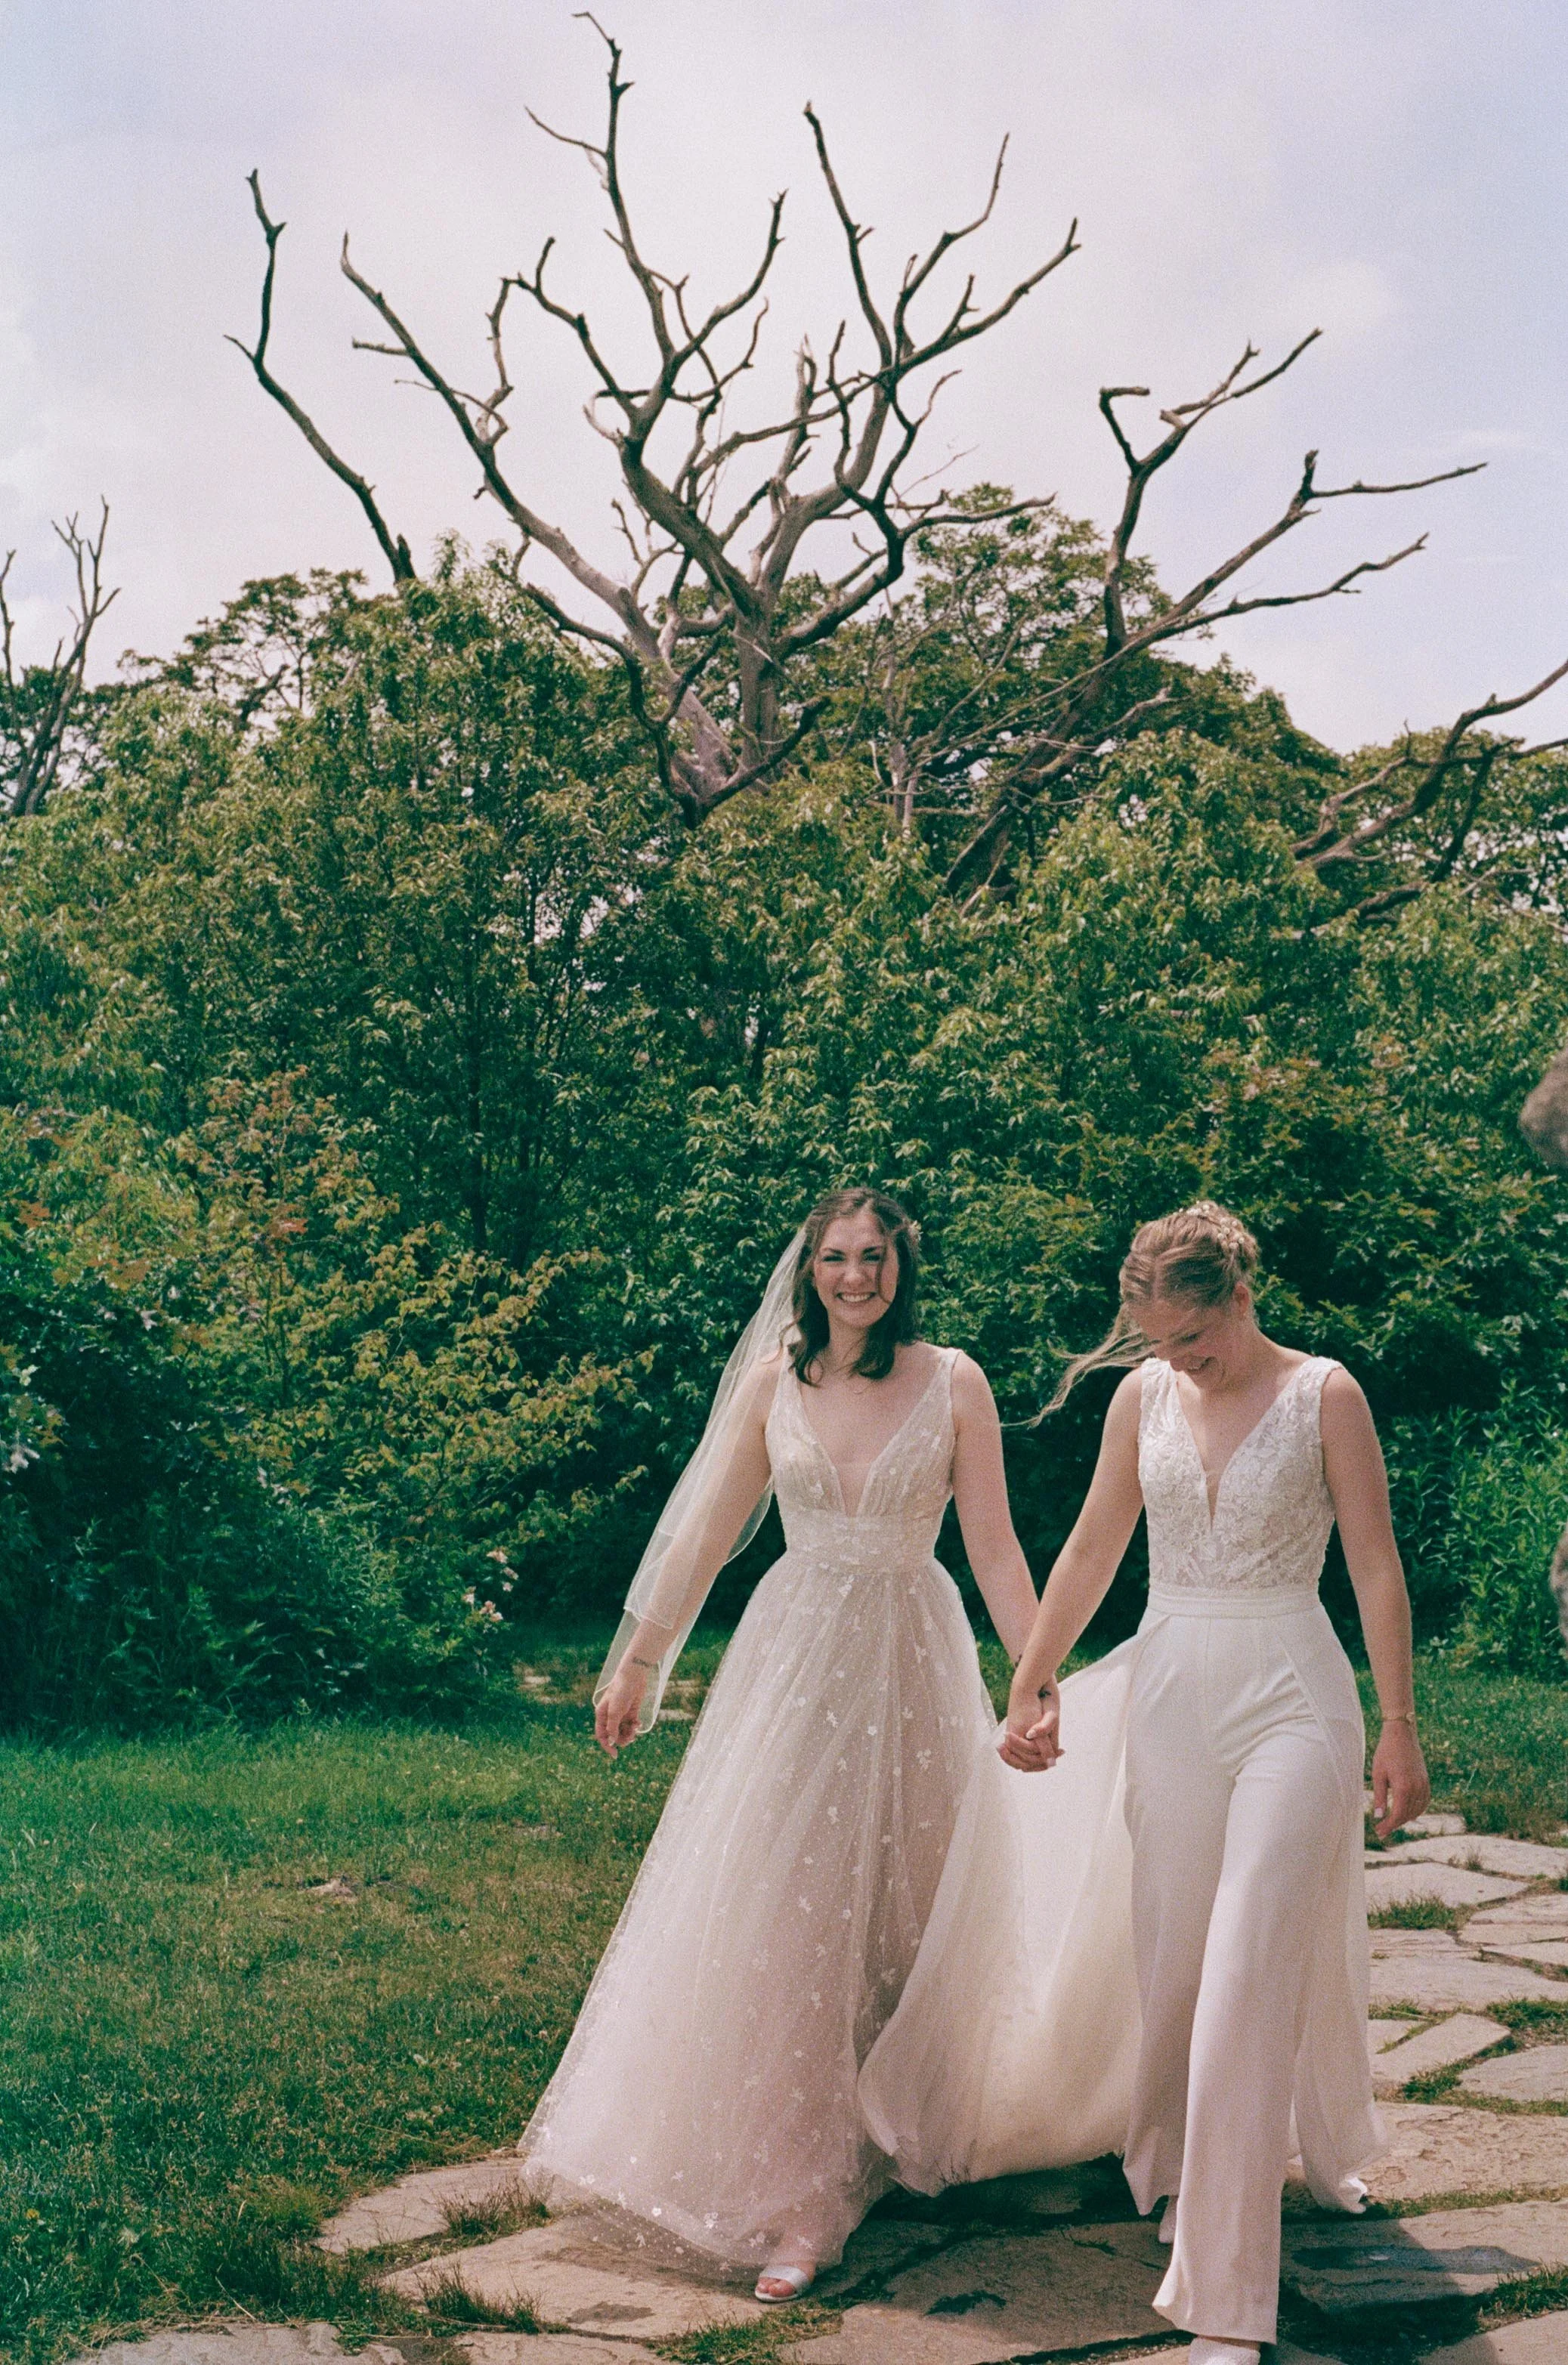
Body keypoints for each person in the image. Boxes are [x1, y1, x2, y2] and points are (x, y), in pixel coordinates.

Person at [517, 1189, 1038, 2302]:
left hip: (911, 1654)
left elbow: (993, 1544)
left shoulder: (953, 1380)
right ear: (810, 1270)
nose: (858, 1276)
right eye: (838, 1257)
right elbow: (707, 1532)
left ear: (904, 1265)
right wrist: (640, 1661)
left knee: (909, 1899)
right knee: (790, 1910)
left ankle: (899, 2137)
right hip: (796, 1663)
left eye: (876, 1256)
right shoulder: (775, 1383)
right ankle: (804, 2190)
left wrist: (1033, 1677)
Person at [994, 1201, 1429, 2364]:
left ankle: (1227, 2303)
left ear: (1239, 1296)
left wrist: (1398, 1722)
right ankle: (1189, 2163)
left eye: (1193, 1339)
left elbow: (1376, 1564)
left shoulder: (1324, 1393)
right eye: (1159, 1345)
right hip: (1173, 1693)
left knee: (1243, 1964)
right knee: (1177, 1955)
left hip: (1296, 1690)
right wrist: (1031, 1680)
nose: (1179, 1363)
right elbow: (1092, 1544)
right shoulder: (1141, 1399)